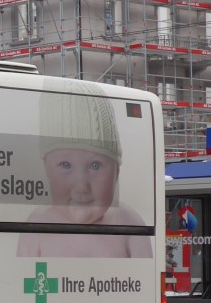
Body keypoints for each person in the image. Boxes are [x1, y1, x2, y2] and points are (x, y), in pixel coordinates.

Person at [16, 87, 152, 258]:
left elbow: (146, 273)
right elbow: (23, 273)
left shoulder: (130, 223)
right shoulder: (37, 224)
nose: (81, 187)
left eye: (95, 165)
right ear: (46, 170)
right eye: (65, 165)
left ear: (116, 172)